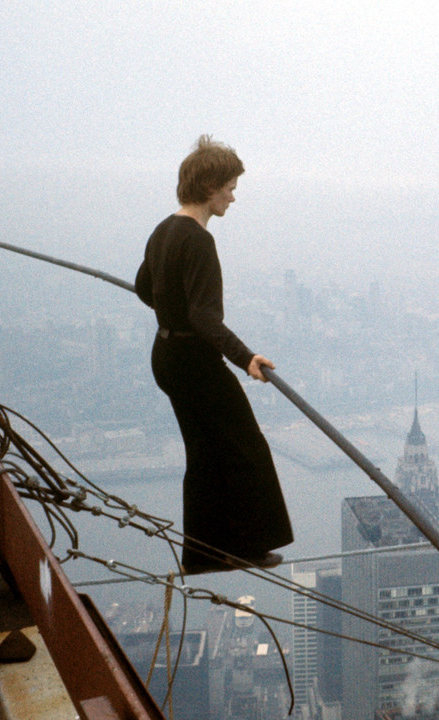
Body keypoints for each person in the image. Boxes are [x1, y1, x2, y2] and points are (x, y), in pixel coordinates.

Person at [135, 135, 293, 575]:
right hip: (193, 361)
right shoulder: (200, 241)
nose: (233, 197)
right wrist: (247, 359)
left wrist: (172, 309)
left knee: (203, 455)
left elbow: (145, 288)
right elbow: (204, 316)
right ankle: (248, 546)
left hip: (166, 355)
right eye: (229, 188)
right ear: (209, 188)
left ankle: (202, 554)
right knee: (247, 448)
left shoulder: (163, 229)